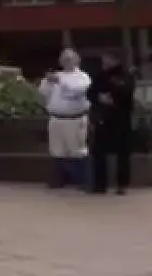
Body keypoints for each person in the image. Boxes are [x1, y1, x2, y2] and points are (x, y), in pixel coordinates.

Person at [39, 48, 92, 190]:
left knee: (77, 150)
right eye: (63, 59)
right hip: (56, 118)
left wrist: (60, 82)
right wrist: (48, 82)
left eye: (69, 59)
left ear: (76, 60)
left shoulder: (82, 77)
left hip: (74, 119)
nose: (66, 61)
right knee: (57, 150)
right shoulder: (56, 75)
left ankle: (81, 180)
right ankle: (58, 180)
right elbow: (43, 92)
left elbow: (76, 91)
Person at [88, 50, 135, 195]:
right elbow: (90, 92)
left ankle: (122, 185)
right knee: (99, 152)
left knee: (122, 154)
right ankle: (100, 184)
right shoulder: (99, 75)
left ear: (115, 60)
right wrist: (99, 98)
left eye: (107, 59)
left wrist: (112, 93)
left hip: (121, 119)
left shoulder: (126, 75)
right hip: (103, 119)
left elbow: (126, 91)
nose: (104, 63)